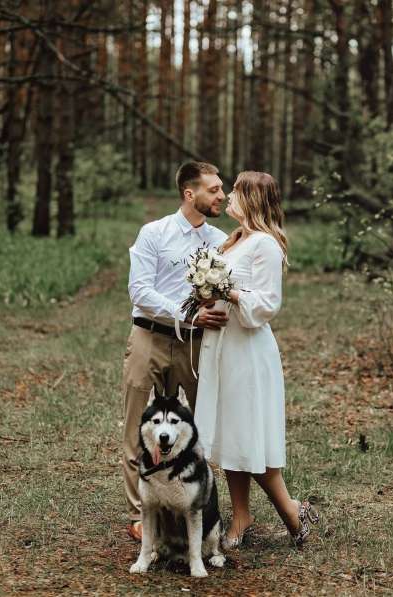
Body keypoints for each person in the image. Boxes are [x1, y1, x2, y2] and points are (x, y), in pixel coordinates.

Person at [194, 171, 319, 549]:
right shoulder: (234, 241)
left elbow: (266, 305)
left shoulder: (265, 244)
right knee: (232, 431)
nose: (228, 195)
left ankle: (293, 514)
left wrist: (228, 291)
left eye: (235, 190)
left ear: (251, 199)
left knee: (252, 432)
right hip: (223, 346)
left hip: (248, 349)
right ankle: (242, 516)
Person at [122, 161, 228, 541]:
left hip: (198, 346)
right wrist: (184, 314)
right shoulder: (154, 233)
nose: (222, 195)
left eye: (221, 189)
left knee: (199, 428)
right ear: (190, 193)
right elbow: (139, 291)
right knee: (140, 427)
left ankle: (195, 508)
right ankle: (140, 516)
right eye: (214, 190)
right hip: (150, 338)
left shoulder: (219, 241)